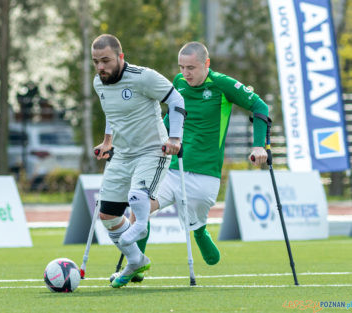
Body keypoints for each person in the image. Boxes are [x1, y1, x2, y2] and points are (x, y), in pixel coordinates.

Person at [135, 41, 269, 277]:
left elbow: (260, 106)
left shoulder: (222, 84)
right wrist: (157, 141)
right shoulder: (178, 83)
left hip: (205, 173)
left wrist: (259, 145)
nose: (185, 74)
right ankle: (135, 266)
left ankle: (199, 231)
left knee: (194, 220)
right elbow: (171, 118)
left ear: (206, 64)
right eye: (181, 67)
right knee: (139, 207)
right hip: (172, 167)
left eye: (191, 68)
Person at [91, 34, 186, 288]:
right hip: (122, 154)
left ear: (121, 57)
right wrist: (107, 141)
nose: (101, 67)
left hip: (153, 151)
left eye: (106, 61)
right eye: (96, 62)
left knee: (137, 196)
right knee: (108, 215)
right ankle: (136, 260)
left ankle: (140, 226)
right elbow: (112, 112)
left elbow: (176, 100)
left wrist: (175, 138)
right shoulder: (99, 83)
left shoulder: (143, 77)